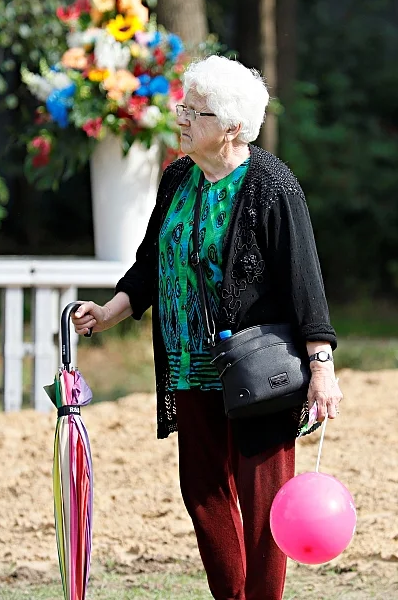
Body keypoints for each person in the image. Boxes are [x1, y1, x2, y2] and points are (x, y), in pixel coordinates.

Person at [71, 55, 345, 600]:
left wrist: (321, 369)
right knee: (203, 492)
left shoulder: (273, 187)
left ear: (233, 128)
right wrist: (110, 312)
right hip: (188, 365)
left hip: (257, 370)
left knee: (264, 505)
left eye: (197, 112)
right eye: (183, 106)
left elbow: (305, 283)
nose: (182, 119)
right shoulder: (178, 178)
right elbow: (151, 263)